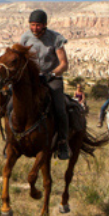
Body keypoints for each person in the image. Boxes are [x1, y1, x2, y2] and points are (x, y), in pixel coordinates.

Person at [19, 9, 71, 160]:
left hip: (51, 78)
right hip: (31, 79)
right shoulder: (25, 38)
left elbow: (64, 64)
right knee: (11, 101)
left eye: (38, 25)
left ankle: (62, 142)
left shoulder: (56, 39)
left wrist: (52, 74)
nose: (34, 28)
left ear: (45, 25)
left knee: (60, 108)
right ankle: (12, 139)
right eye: (32, 25)